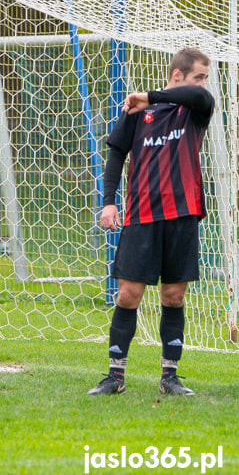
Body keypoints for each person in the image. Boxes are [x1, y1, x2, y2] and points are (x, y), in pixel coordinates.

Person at [88, 47, 213, 396]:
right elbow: (116, 153)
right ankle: (115, 377)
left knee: (173, 296)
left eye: (205, 77)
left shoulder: (196, 109)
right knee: (128, 295)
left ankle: (170, 377)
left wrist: (149, 95)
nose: (204, 84)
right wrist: (109, 202)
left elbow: (199, 96)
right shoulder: (138, 112)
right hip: (142, 214)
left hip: (183, 214)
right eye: (198, 75)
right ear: (177, 74)